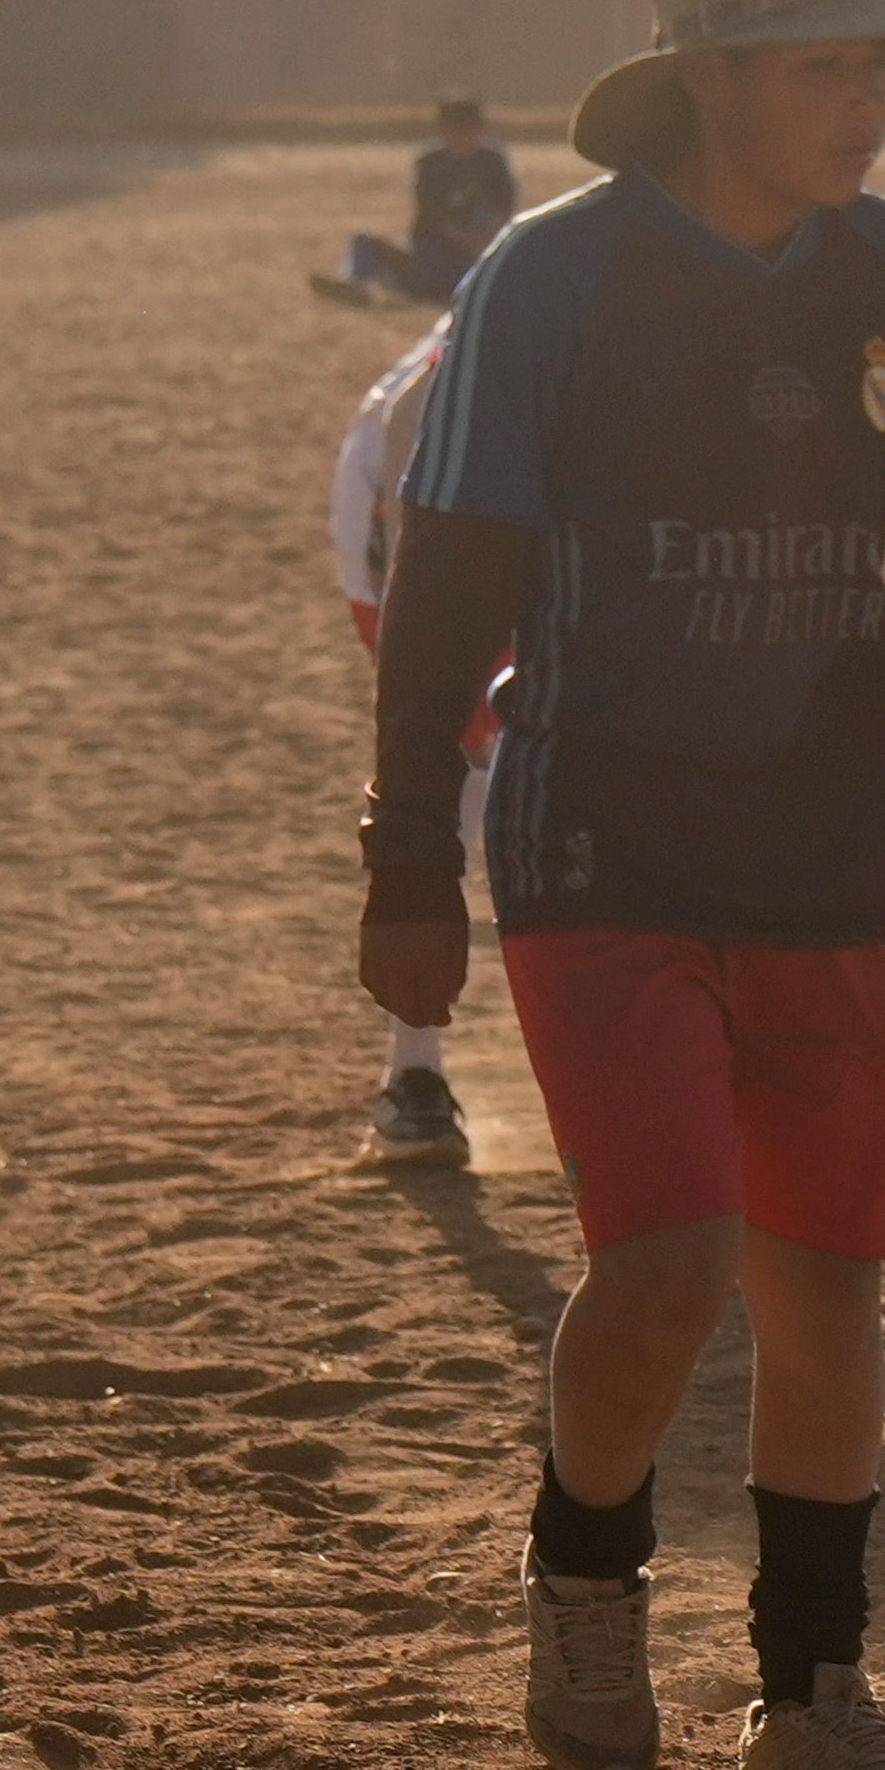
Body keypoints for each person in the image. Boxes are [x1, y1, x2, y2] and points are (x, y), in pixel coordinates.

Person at [358, 0, 885, 1770]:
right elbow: (446, 578)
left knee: (827, 1284)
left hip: (835, 852)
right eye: (825, 67)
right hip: (605, 835)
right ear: (708, 73)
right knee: (664, 1262)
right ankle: (586, 1574)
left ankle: (814, 1694)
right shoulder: (552, 279)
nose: (868, 103)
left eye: (883, 68)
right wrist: (406, 859)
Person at [331, 315, 493, 1168]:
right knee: (449, 769)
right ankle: (415, 1074)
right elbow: (419, 591)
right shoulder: (435, 396)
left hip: (555, 538)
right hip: (409, 545)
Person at [317, 94, 517, 308]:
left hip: (474, 260)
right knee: (364, 242)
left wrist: (482, 241)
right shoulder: (430, 163)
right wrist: (464, 239)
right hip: (430, 255)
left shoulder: (493, 163)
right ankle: (354, 286)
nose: (459, 138)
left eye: (466, 131)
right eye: (452, 131)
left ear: (481, 131)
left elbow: (504, 210)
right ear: (441, 132)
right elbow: (433, 214)